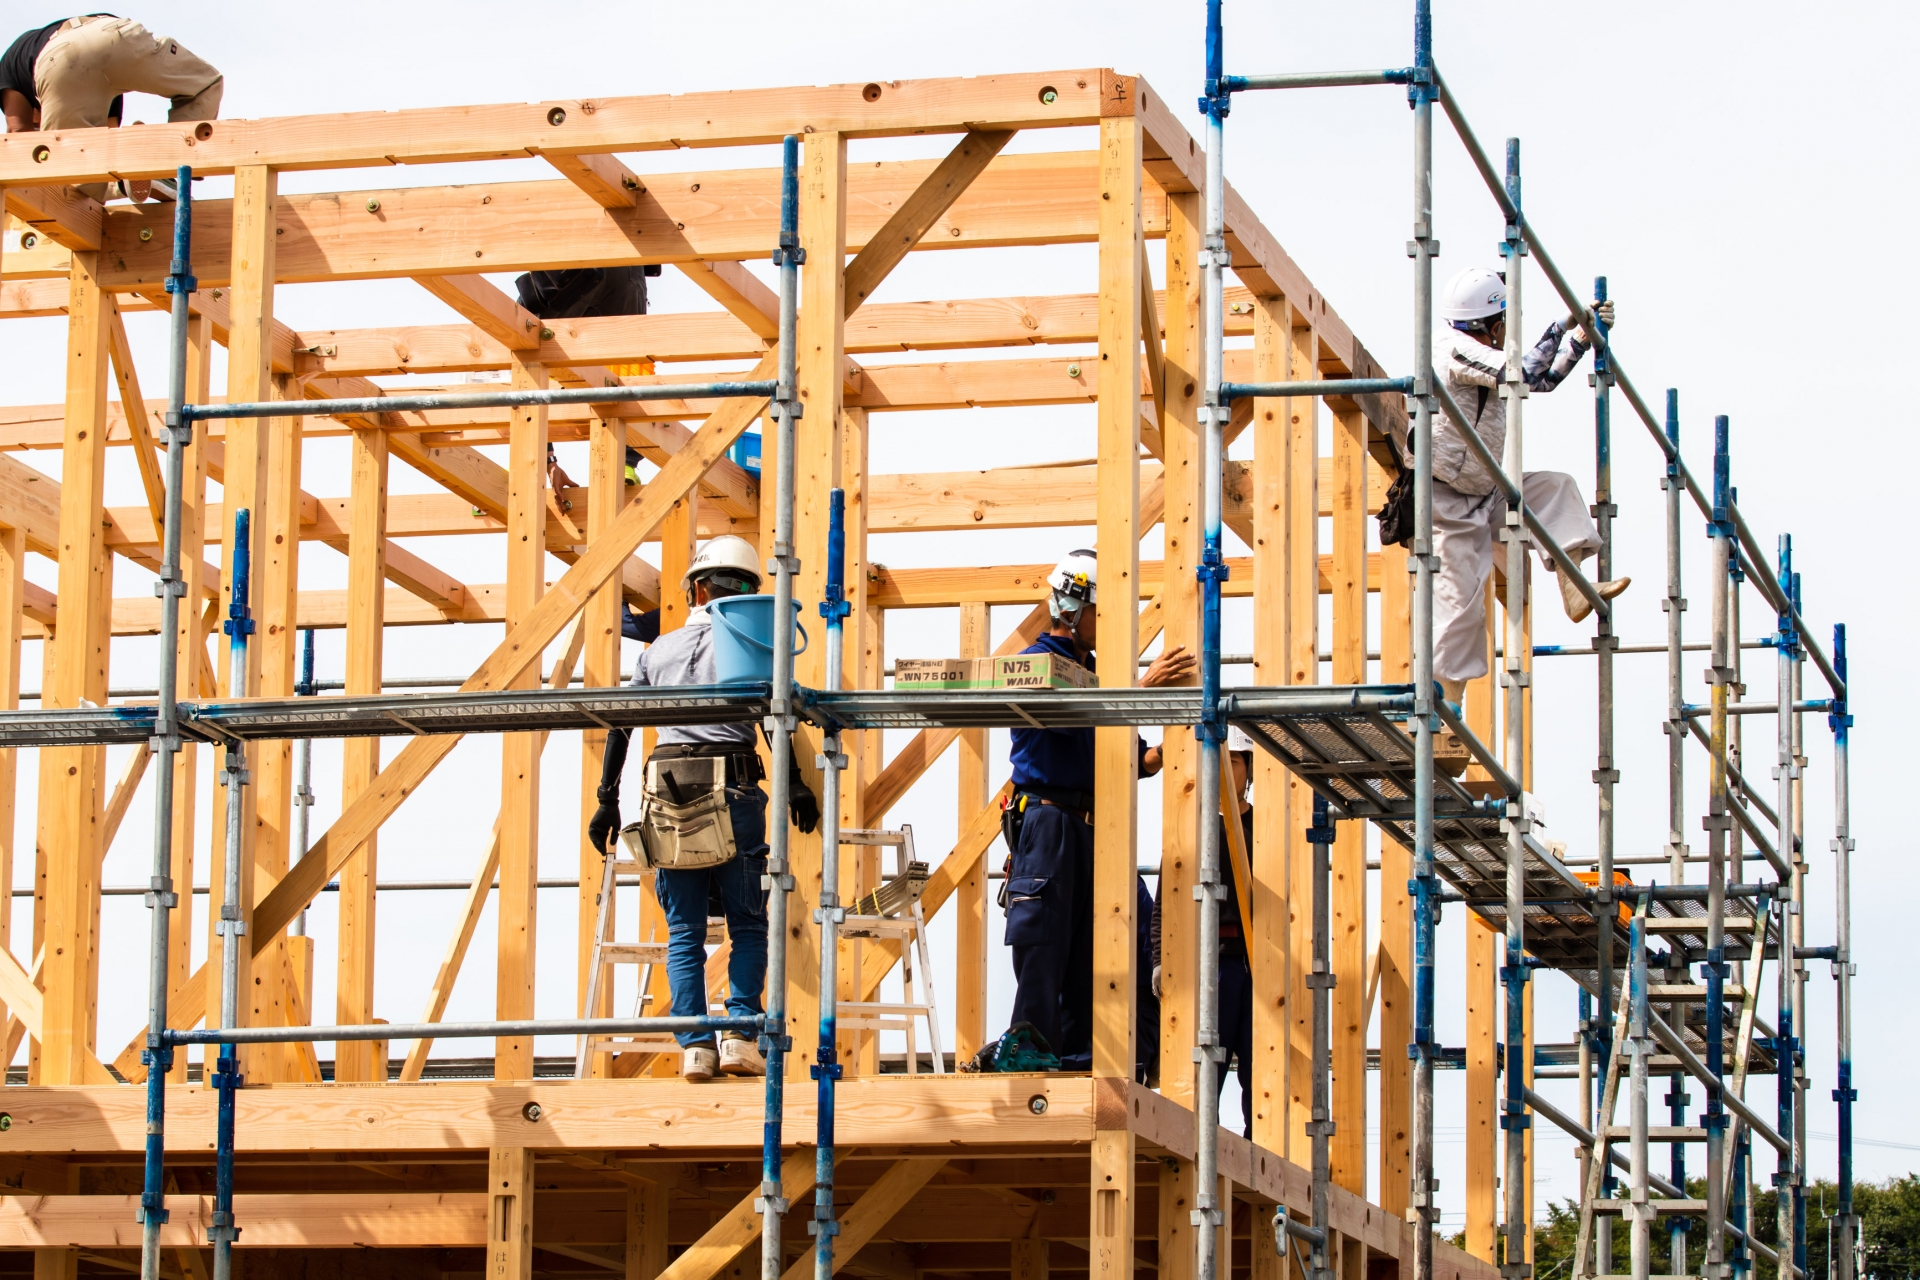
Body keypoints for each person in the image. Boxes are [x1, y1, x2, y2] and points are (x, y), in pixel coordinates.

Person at [586, 534, 820, 1083]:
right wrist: (795, 784)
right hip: (734, 787)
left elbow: (622, 723)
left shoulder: (657, 652)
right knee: (748, 924)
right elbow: (773, 719)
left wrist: (606, 800)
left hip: (669, 792)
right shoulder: (752, 648)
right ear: (748, 595)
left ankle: (696, 1047)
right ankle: (740, 1037)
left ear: (696, 589)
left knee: (685, 931)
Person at [999, 549, 1195, 1070]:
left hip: (1091, 827)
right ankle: (1028, 1051)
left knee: (1102, 952)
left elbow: (1132, 758)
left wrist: (1173, 745)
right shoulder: (1037, 665)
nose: (1107, 624)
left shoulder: (1097, 676)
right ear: (1071, 607)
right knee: (1045, 947)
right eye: (1100, 612)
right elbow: (1072, 718)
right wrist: (1141, 689)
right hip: (1050, 823)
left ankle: (1078, 1063)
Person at [1429, 265, 1631, 707]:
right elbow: (1521, 371)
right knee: (1460, 606)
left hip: (1484, 489)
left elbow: (1542, 380)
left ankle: (1575, 587)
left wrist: (1580, 339)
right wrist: (1561, 325)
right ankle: (1442, 712)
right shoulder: (1454, 349)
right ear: (1491, 323)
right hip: (1447, 498)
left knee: (1554, 490)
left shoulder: (1482, 350)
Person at [1150, 725, 1257, 1137]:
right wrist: (1160, 960)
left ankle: (1260, 1156)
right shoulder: (1192, 829)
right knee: (1203, 1077)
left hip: (1259, 964)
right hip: (1212, 964)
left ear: (1249, 770)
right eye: (1220, 761)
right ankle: (1200, 1157)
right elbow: (1165, 903)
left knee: (1261, 1077)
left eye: (1234, 761)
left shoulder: (1265, 829)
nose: (1226, 770)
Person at [0, 16, 221, 201]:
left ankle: (138, 175)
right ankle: (162, 167)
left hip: (61, 58)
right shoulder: (97, 90)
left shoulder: (10, 66)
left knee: (74, 186)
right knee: (205, 84)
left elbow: (18, 135)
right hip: (118, 35)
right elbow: (108, 140)